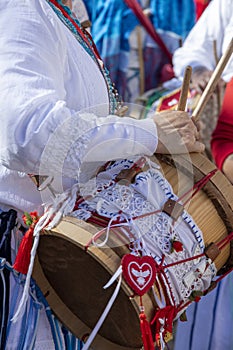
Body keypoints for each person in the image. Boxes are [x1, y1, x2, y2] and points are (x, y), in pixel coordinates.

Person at [0, 0, 204, 349]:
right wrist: (148, 133)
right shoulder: (24, 7)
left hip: (46, 257)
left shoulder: (62, 12)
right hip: (18, 264)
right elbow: (30, 131)